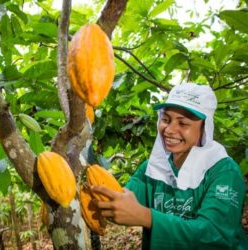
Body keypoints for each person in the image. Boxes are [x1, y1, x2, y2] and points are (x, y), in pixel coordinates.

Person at [90, 83, 248, 249]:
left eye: (183, 123)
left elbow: (214, 235)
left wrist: (146, 217)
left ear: (204, 128)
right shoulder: (152, 169)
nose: (169, 130)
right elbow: (118, 201)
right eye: (166, 119)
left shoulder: (223, 171)